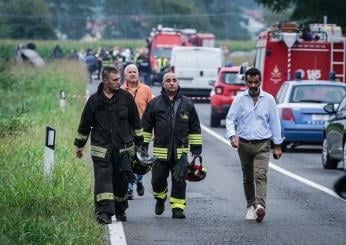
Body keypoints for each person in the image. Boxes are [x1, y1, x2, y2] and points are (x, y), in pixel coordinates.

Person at [74, 66, 144, 224]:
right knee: (103, 180)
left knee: (121, 182)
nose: (119, 82)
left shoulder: (125, 98)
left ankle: (120, 209)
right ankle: (104, 213)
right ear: (105, 81)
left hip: (123, 149)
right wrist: (79, 145)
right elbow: (85, 124)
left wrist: (139, 143)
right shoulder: (94, 101)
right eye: (115, 80)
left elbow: (135, 121)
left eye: (119, 79)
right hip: (101, 149)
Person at [225, 67, 283, 223]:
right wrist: (232, 136)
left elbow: (275, 123)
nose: (252, 85)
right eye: (249, 82)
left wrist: (277, 145)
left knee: (260, 175)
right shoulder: (239, 99)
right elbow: (230, 119)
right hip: (243, 144)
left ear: (260, 81)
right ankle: (250, 206)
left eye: (255, 82)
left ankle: (260, 206)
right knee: (248, 177)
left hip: (262, 145)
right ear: (245, 81)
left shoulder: (269, 99)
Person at [142, 72, 202, 219]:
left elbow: (194, 128)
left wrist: (196, 150)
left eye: (174, 80)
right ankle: (160, 198)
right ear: (163, 84)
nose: (172, 83)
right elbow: (146, 127)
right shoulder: (154, 103)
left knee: (180, 180)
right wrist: (142, 146)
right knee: (157, 180)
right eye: (168, 80)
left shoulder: (187, 103)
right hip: (160, 152)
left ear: (178, 84)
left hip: (180, 152)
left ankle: (178, 208)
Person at [121, 64, 153, 200]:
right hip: (125, 131)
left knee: (141, 160)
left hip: (143, 131)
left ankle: (138, 181)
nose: (132, 74)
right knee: (128, 159)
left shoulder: (146, 89)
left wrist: (154, 131)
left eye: (135, 71)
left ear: (138, 74)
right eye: (130, 72)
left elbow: (152, 112)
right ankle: (129, 188)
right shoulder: (120, 90)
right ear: (125, 74)